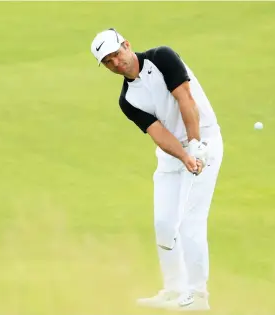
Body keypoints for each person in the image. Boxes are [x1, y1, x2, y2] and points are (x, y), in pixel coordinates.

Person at [90, 28, 224, 311]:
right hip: (174, 154)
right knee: (164, 225)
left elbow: (185, 99)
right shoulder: (127, 100)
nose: (116, 63)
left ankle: (198, 296)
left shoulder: (161, 58)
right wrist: (183, 157)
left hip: (204, 140)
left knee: (190, 223)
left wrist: (196, 146)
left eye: (116, 54)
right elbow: (159, 134)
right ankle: (174, 290)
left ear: (126, 45)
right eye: (108, 62)